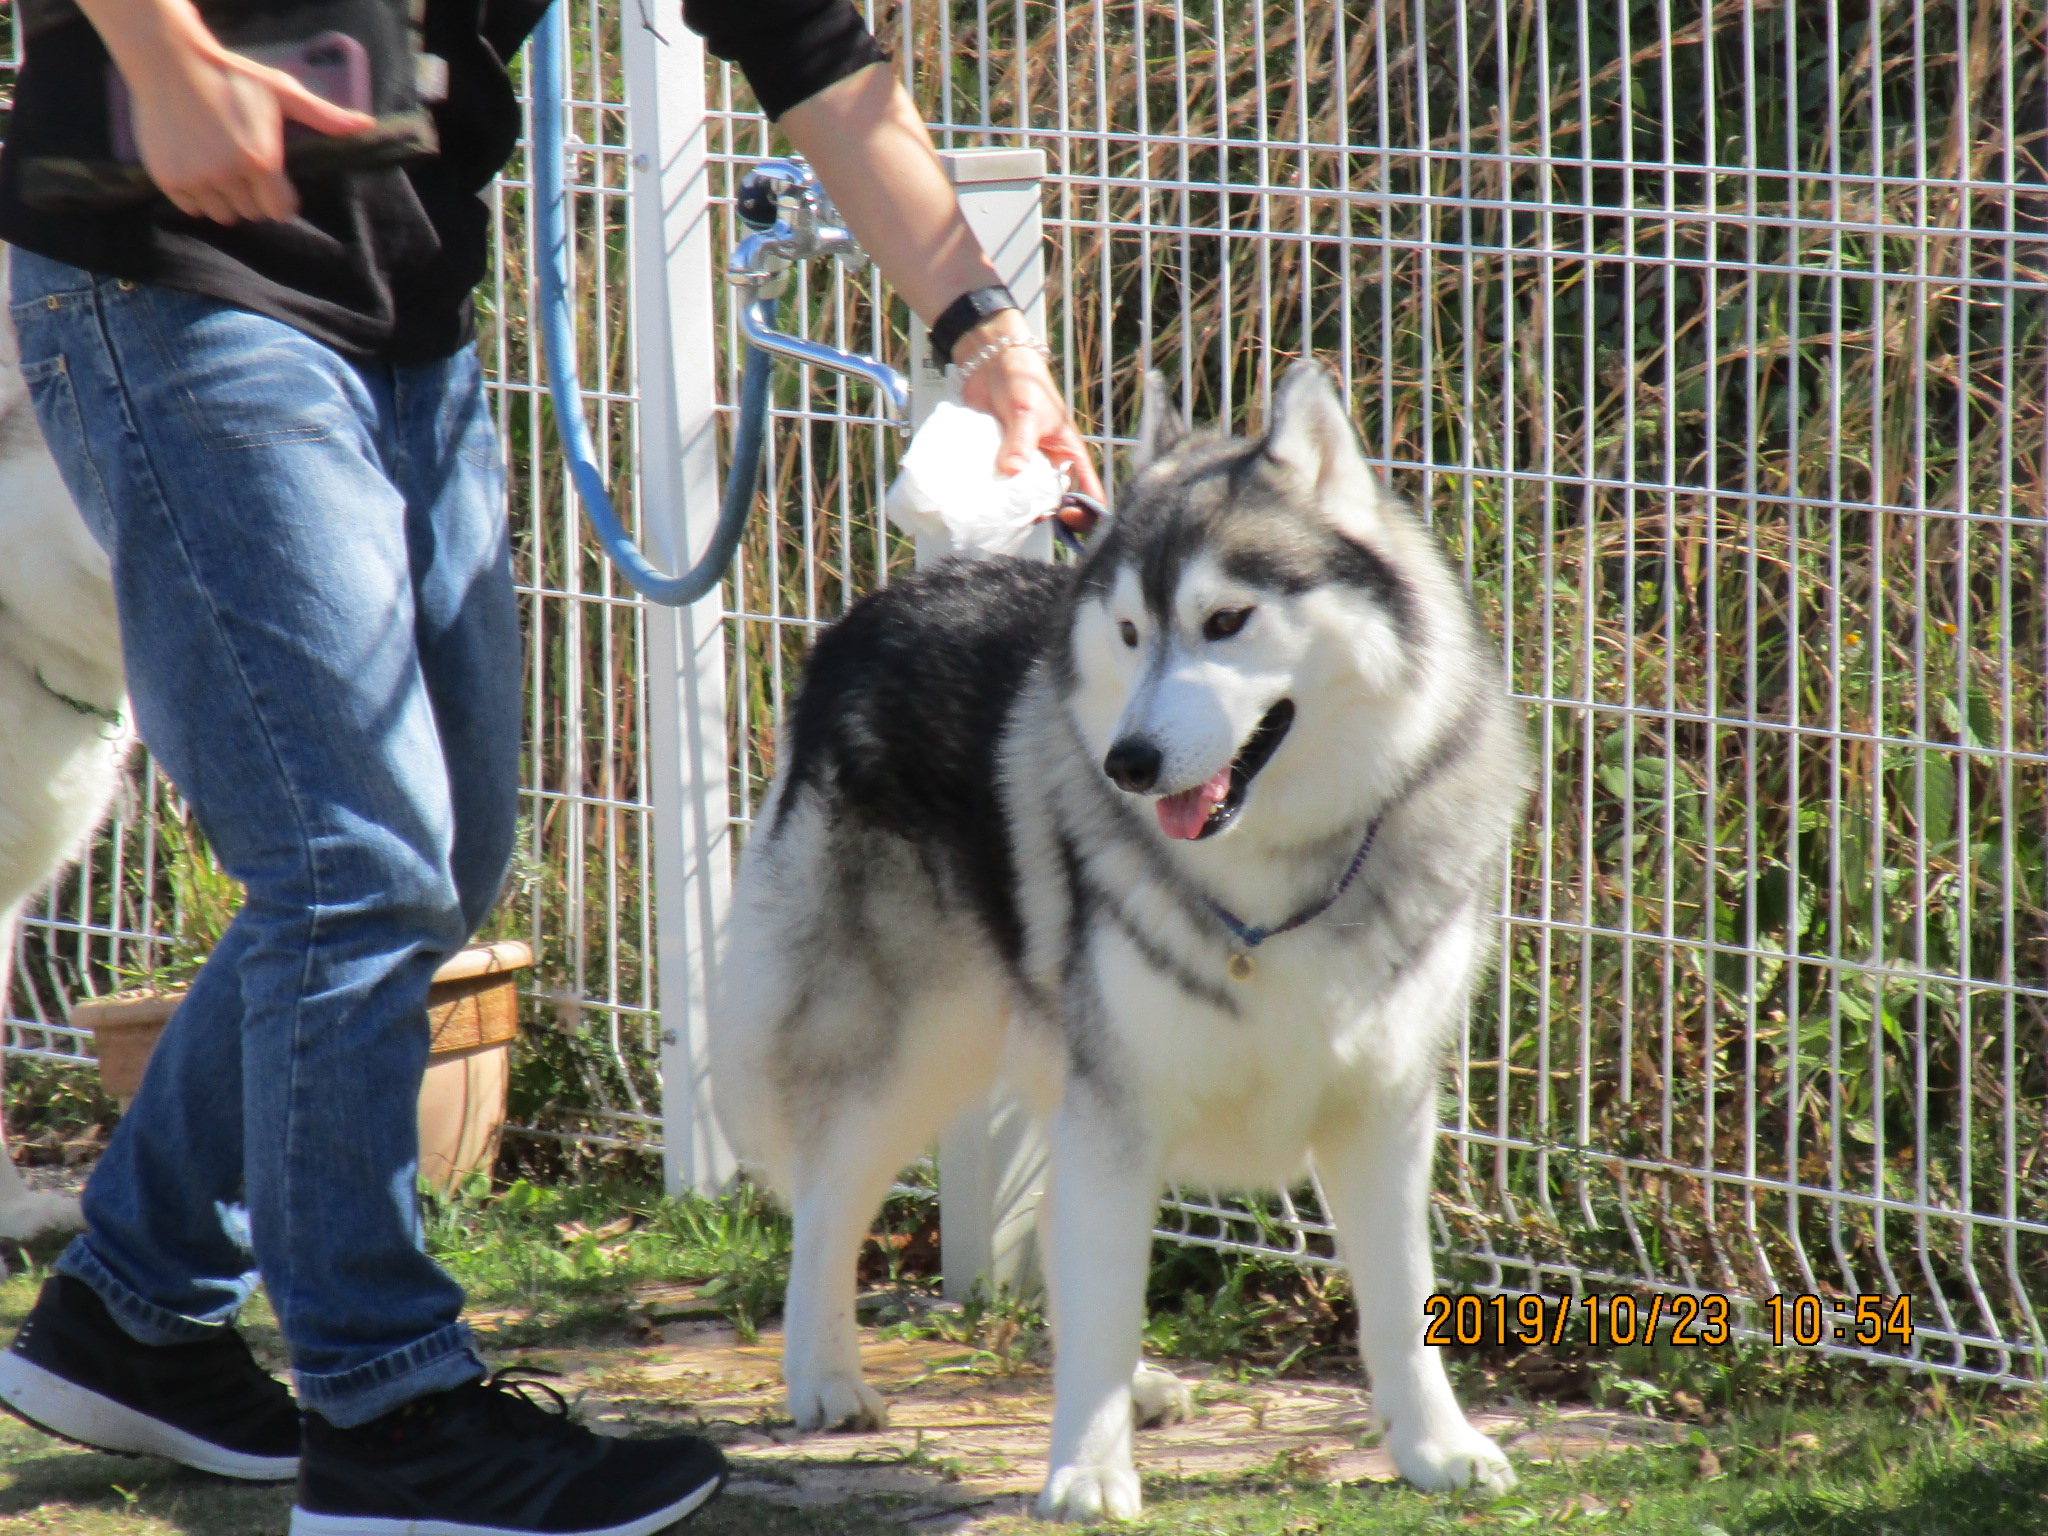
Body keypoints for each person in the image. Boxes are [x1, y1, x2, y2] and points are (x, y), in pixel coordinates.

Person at [0, 0, 1103, 1528]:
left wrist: (992, 339)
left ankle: (131, 1308)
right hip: (172, 278)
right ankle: (388, 1421)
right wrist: (170, 61)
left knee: (434, 864)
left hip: (403, 320)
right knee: (351, 866)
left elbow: (827, 71)